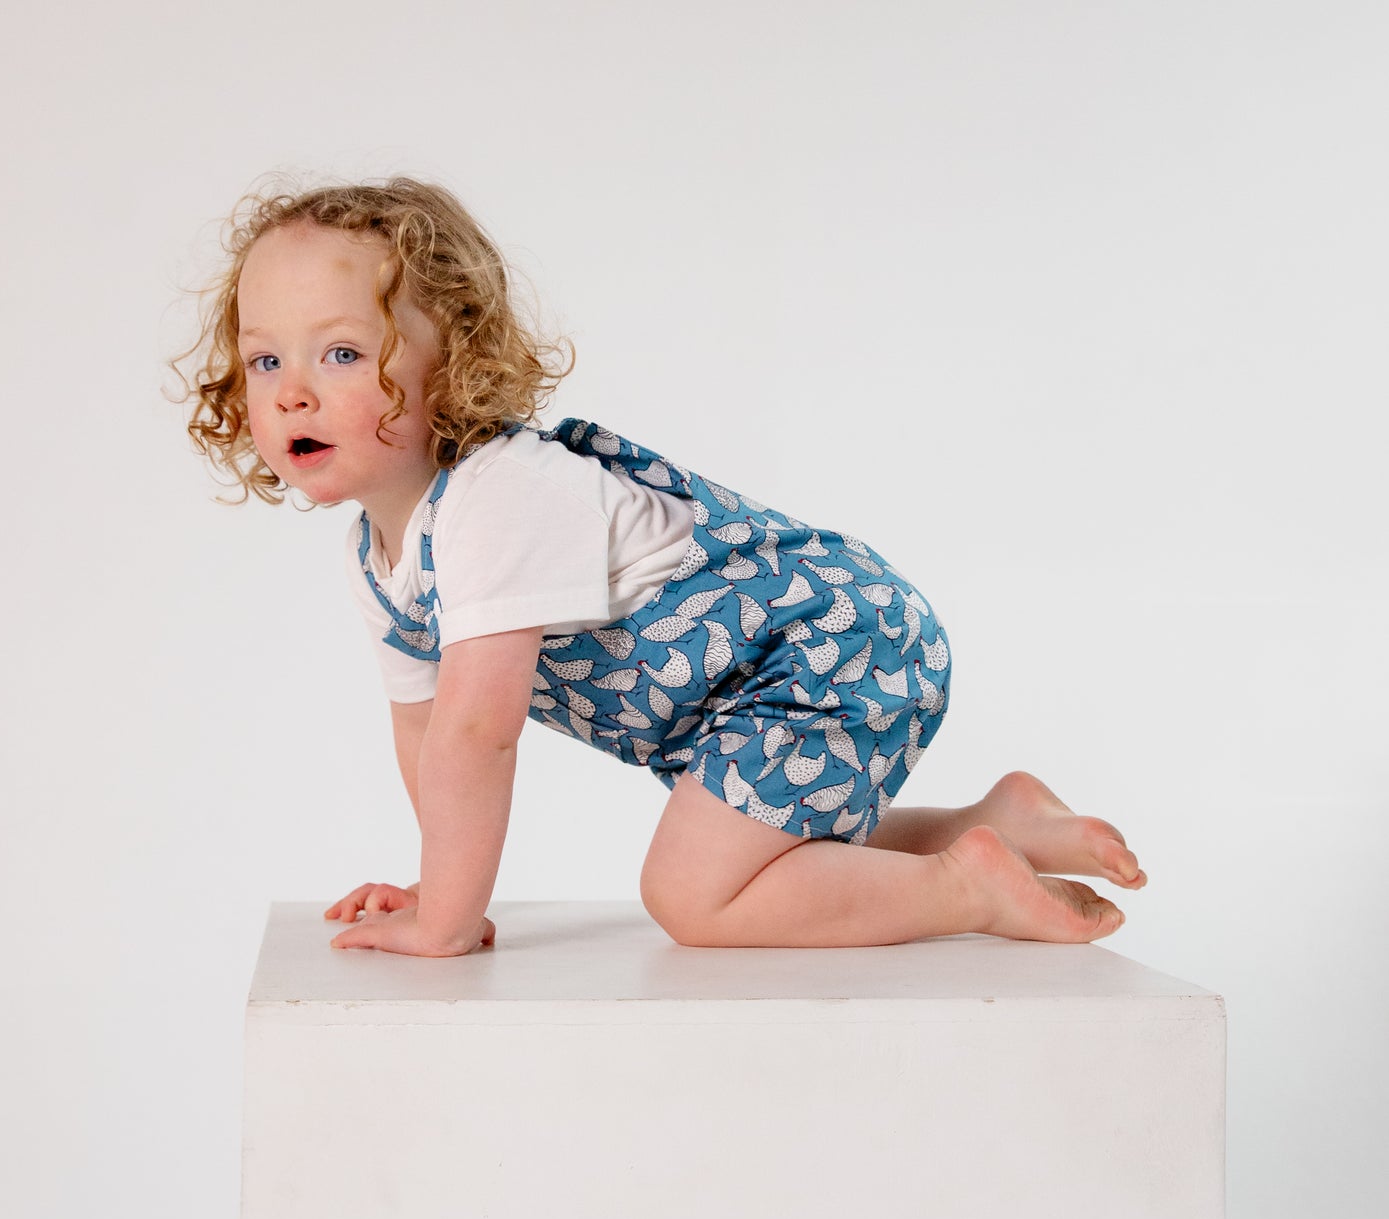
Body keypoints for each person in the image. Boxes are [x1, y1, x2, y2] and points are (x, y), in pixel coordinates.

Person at [172, 176, 1146, 958]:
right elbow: (424, 733)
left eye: (340, 353)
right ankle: (998, 823)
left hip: (824, 649)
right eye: (265, 362)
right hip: (752, 691)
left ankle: (961, 885)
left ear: (454, 362)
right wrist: (444, 887)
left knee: (693, 893)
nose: (293, 393)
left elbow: (475, 732)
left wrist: (446, 925)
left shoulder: (495, 496)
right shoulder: (380, 553)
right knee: (753, 842)